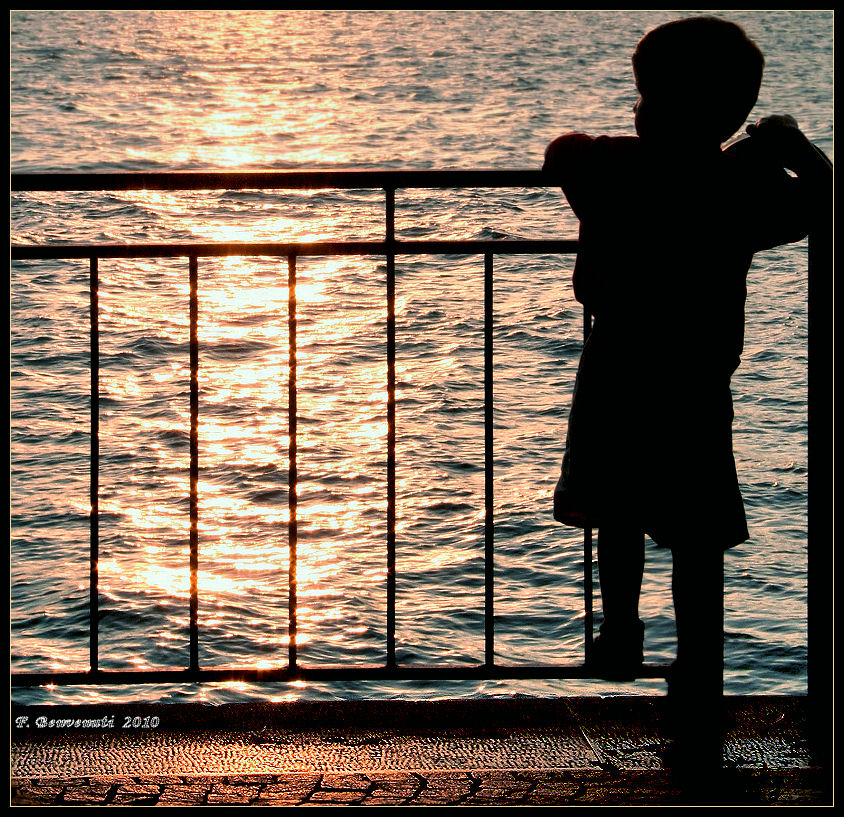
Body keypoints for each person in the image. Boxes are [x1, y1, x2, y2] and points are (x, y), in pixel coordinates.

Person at [542, 16, 832, 778]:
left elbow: (561, 153)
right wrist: (791, 151)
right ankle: (697, 676)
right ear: (735, 110)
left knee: (617, 507)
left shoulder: (611, 169)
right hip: (696, 383)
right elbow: (821, 202)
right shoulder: (740, 186)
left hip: (615, 371)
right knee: (697, 537)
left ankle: (620, 629)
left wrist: (611, 141)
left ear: (646, 95)